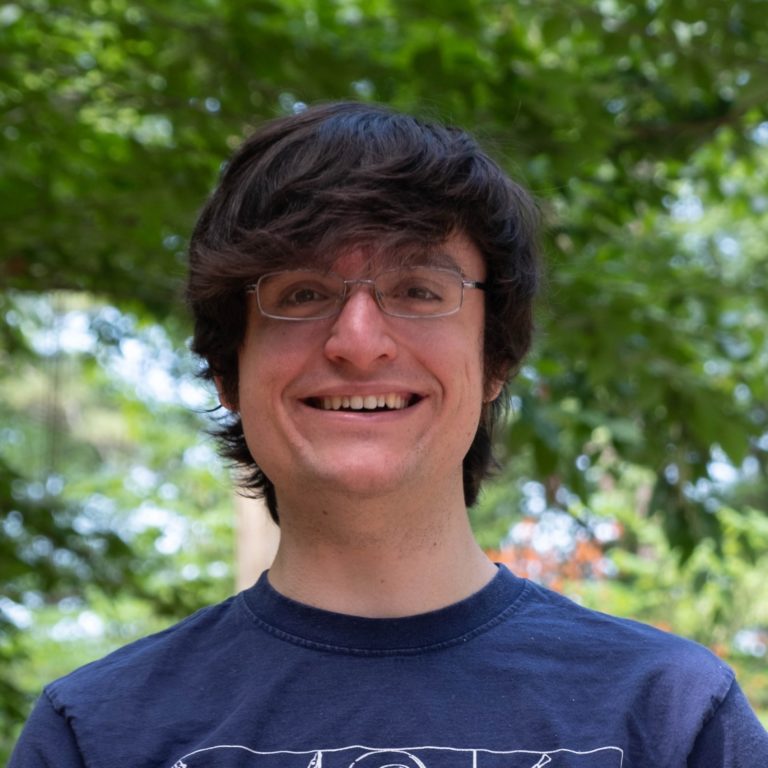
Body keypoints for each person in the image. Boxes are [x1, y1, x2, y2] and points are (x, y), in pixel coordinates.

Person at [10, 102, 768, 768]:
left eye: (417, 290)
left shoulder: (672, 718)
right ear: (226, 369)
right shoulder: (97, 734)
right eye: (301, 294)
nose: (359, 340)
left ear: (496, 356)